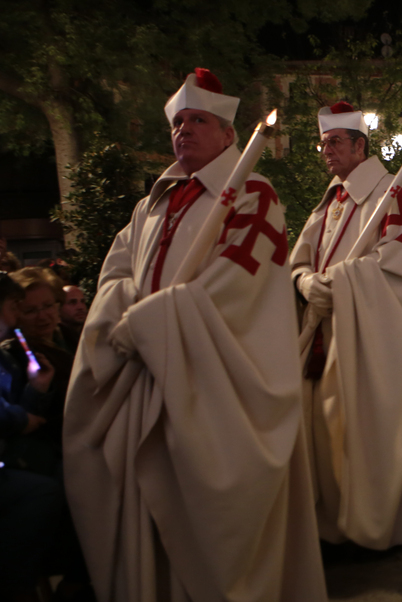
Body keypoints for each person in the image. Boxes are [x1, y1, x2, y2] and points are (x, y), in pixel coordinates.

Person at [62, 69, 327, 601]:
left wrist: (156, 323)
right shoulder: (150, 204)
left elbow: (239, 287)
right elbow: (114, 275)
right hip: (145, 376)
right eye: (177, 122)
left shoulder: (253, 194)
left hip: (209, 384)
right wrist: (126, 318)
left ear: (229, 135)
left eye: (198, 121)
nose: (183, 130)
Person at [290, 102, 402, 550]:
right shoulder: (328, 200)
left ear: (359, 145)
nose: (326, 150)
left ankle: (369, 528)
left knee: (358, 430)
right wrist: (305, 281)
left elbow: (399, 267)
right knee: (319, 430)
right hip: (323, 332)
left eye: (334, 142)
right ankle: (330, 524)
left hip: (367, 336)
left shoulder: (394, 193)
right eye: (323, 142)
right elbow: (299, 258)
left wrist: (341, 284)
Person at [0, 271, 62, 602]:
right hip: (23, 453)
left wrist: (38, 390)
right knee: (50, 489)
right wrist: (25, 413)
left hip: (34, 445)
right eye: (25, 309)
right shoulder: (13, 351)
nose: (43, 316)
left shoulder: (68, 339)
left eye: (49, 306)